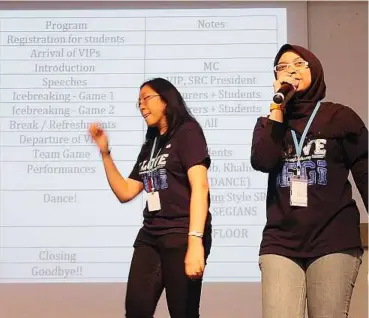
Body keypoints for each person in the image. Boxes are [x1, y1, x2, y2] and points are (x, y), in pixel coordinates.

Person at [250, 44, 368, 318]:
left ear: (314, 70)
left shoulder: (339, 117)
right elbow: (264, 161)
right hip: (280, 241)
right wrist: (277, 109)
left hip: (333, 238)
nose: (290, 70)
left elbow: (365, 173)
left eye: (298, 64)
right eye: (282, 67)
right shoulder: (268, 123)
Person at [89, 77, 212, 318]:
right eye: (138, 103)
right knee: (136, 311)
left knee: (183, 312)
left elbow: (201, 187)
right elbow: (126, 191)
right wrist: (105, 153)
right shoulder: (151, 144)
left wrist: (195, 241)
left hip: (182, 233)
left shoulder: (188, 131)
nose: (142, 106)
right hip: (151, 235)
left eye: (146, 99)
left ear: (166, 100)